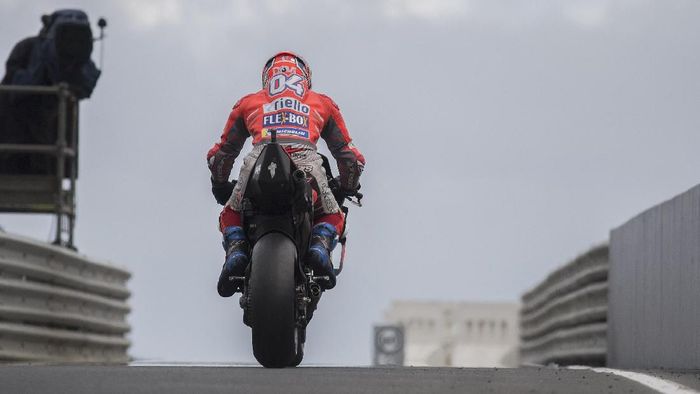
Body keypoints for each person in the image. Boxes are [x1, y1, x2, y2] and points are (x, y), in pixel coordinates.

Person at [207, 52, 365, 297]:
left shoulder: (248, 103)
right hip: (307, 165)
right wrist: (348, 186)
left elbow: (222, 154)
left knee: (230, 213)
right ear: (306, 78)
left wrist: (218, 183)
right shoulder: (322, 103)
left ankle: (236, 250)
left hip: (257, 163)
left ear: (267, 78)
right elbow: (350, 158)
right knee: (334, 215)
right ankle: (321, 245)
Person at [0, 9, 100, 175]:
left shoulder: (78, 62)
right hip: (14, 139)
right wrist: (40, 70)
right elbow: (14, 89)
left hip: (52, 147)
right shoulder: (27, 48)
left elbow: (85, 86)